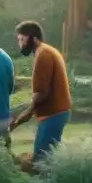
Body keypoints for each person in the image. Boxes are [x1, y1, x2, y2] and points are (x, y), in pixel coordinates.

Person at [9, 21, 73, 160]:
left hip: (53, 113)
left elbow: (40, 94)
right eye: (19, 40)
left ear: (33, 37)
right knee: (47, 158)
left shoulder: (43, 55)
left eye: (22, 39)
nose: (20, 44)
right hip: (57, 112)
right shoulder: (46, 51)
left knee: (42, 161)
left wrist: (24, 116)